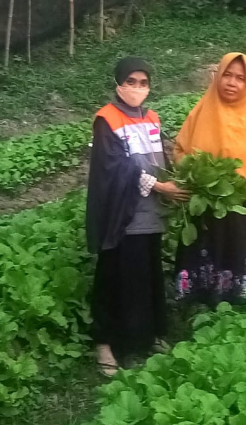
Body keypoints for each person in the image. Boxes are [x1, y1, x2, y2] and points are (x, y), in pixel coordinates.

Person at [86, 57, 189, 377]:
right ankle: (107, 342)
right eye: (131, 81)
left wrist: (177, 175)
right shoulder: (106, 119)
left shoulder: (152, 117)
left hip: (151, 211)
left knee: (147, 274)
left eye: (143, 83)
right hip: (122, 212)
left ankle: (147, 335)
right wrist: (159, 185)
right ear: (118, 84)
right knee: (117, 275)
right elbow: (116, 167)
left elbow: (158, 157)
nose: (137, 88)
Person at [173, 52, 246, 305]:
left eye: (240, 78)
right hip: (204, 204)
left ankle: (239, 293)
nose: (232, 82)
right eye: (227, 75)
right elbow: (180, 149)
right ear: (218, 77)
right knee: (205, 243)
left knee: (237, 244)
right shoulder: (202, 111)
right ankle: (201, 296)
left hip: (240, 206)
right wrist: (196, 174)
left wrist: (240, 186)